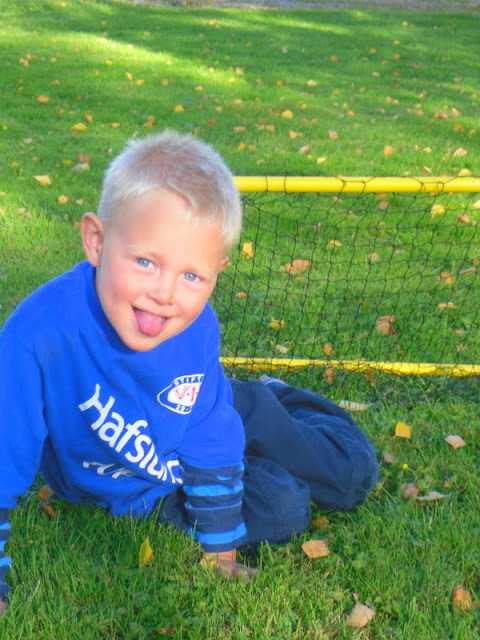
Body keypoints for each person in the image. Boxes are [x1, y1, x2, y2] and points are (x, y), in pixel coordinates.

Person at [0, 130, 378, 611]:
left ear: (217, 272)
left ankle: (275, 400)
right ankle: (251, 436)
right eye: (145, 261)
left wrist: (220, 555)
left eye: (191, 275)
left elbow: (209, 437)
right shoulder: (36, 336)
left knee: (350, 475)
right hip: (149, 480)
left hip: (211, 413)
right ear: (96, 241)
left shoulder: (195, 327)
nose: (165, 293)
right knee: (283, 508)